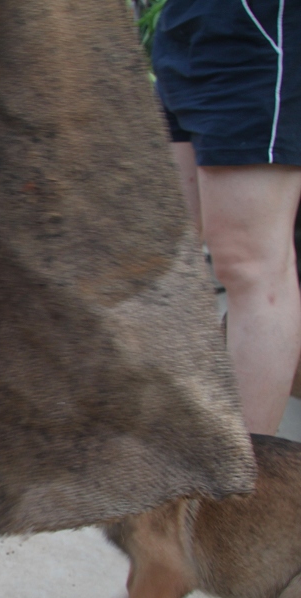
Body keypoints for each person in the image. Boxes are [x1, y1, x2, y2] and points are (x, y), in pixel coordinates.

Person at [151, 0, 301, 435]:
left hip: (258, 24)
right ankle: (175, 446)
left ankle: (243, 480)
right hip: (187, 22)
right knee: (163, 253)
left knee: (249, 265)